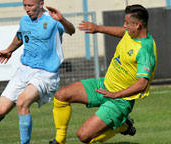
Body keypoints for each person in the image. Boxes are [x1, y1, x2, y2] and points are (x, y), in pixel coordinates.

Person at [49, 4, 157, 144]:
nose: (124, 26)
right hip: (104, 85)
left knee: (84, 136)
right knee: (61, 95)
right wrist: (98, 28)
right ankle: (59, 141)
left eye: (126, 23)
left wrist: (116, 95)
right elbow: (122, 33)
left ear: (137, 25)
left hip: (120, 101)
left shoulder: (145, 50)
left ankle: (121, 127)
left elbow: (142, 84)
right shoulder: (131, 34)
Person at [0, 0, 75, 144]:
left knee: (22, 102)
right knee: (0, 110)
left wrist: (62, 19)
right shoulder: (24, 21)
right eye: (24, 6)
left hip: (46, 73)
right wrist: (9, 50)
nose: (27, 9)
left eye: (30, 6)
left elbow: (72, 31)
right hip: (24, 70)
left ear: (41, 3)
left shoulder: (52, 19)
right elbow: (20, 37)